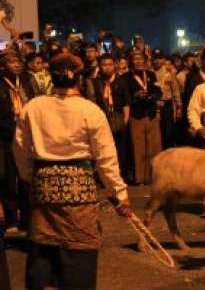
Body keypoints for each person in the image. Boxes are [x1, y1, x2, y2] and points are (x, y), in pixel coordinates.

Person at [12, 53, 131, 290]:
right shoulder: (90, 110)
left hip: (43, 188)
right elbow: (106, 157)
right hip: (80, 192)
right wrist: (119, 194)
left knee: (44, 247)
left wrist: (30, 177)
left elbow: (20, 149)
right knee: (79, 249)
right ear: (78, 78)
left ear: (50, 77)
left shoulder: (33, 107)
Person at [0, 49, 34, 235]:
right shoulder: (1, 85)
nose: (17, 65)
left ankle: (27, 220)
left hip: (26, 138)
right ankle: (12, 220)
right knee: (8, 181)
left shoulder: (27, 82)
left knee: (25, 179)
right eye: (12, 62)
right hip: (5, 140)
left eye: (18, 62)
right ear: (3, 65)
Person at [90, 54, 132, 183]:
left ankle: (121, 175)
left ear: (114, 66)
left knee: (121, 149)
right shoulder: (96, 83)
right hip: (102, 119)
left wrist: (125, 120)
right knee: (104, 149)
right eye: (104, 65)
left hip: (118, 118)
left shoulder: (121, 81)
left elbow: (126, 103)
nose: (107, 68)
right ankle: (105, 177)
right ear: (99, 66)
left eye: (109, 65)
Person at [125, 52, 162, 185]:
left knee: (155, 146)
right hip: (136, 115)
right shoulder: (126, 77)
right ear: (131, 62)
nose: (138, 62)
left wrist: (151, 97)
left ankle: (155, 177)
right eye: (135, 59)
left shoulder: (151, 75)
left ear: (145, 61)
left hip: (151, 114)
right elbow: (126, 97)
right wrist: (136, 96)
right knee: (139, 148)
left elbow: (159, 91)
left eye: (141, 59)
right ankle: (140, 178)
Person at [153, 51, 181, 149]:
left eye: (160, 58)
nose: (157, 60)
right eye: (155, 58)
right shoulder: (149, 72)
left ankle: (168, 150)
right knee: (157, 131)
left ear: (163, 59)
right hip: (154, 105)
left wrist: (178, 106)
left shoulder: (169, 72)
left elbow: (175, 90)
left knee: (168, 130)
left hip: (167, 104)